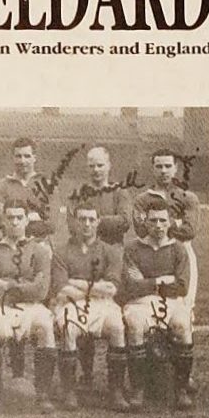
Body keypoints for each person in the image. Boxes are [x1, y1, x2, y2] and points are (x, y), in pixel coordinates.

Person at [0, 199, 57, 413]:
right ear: (3, 221)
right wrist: (26, 286)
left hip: (31, 306)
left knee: (46, 325)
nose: (14, 222)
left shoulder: (39, 251)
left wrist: (9, 285)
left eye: (19, 217)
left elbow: (42, 291)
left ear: (26, 221)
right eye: (10, 217)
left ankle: (42, 393)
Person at [132, 149, 200, 391]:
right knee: (151, 309)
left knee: (183, 309)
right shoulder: (142, 199)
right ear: (153, 168)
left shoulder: (187, 197)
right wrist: (174, 223)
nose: (163, 171)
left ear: (176, 168)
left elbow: (190, 231)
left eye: (168, 166)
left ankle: (184, 374)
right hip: (152, 255)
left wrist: (159, 224)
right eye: (159, 166)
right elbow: (140, 230)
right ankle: (155, 370)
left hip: (181, 255)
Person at [66, 146, 133, 388]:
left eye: (100, 165)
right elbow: (72, 225)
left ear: (109, 165)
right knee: (86, 309)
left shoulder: (119, 192)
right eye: (92, 165)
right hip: (86, 256)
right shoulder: (79, 192)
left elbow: (125, 221)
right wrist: (97, 223)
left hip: (114, 257)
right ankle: (87, 373)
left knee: (118, 315)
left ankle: (123, 379)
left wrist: (93, 220)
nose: (96, 170)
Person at [50, 204, 129, 412]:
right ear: (74, 222)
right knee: (68, 327)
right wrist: (95, 287)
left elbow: (111, 288)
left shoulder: (109, 250)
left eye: (91, 220)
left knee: (117, 327)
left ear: (98, 222)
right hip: (71, 303)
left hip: (103, 304)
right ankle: (69, 390)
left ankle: (116, 390)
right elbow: (61, 289)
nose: (86, 224)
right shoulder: (61, 251)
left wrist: (77, 283)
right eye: (82, 219)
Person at [122, 200, 193, 411]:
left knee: (182, 325)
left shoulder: (178, 249)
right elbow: (131, 287)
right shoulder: (133, 248)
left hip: (172, 302)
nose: (158, 226)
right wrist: (162, 280)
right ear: (145, 221)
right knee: (135, 325)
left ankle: (181, 389)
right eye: (153, 220)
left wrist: (146, 282)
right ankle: (138, 389)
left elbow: (182, 287)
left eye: (163, 220)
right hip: (139, 303)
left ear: (170, 222)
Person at [0, 137, 53, 239]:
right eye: (18, 156)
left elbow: (52, 224)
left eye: (27, 156)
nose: (22, 161)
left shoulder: (48, 186)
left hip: (39, 243)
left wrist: (13, 218)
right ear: (13, 158)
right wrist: (36, 216)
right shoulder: (1, 186)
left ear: (34, 158)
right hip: (11, 244)